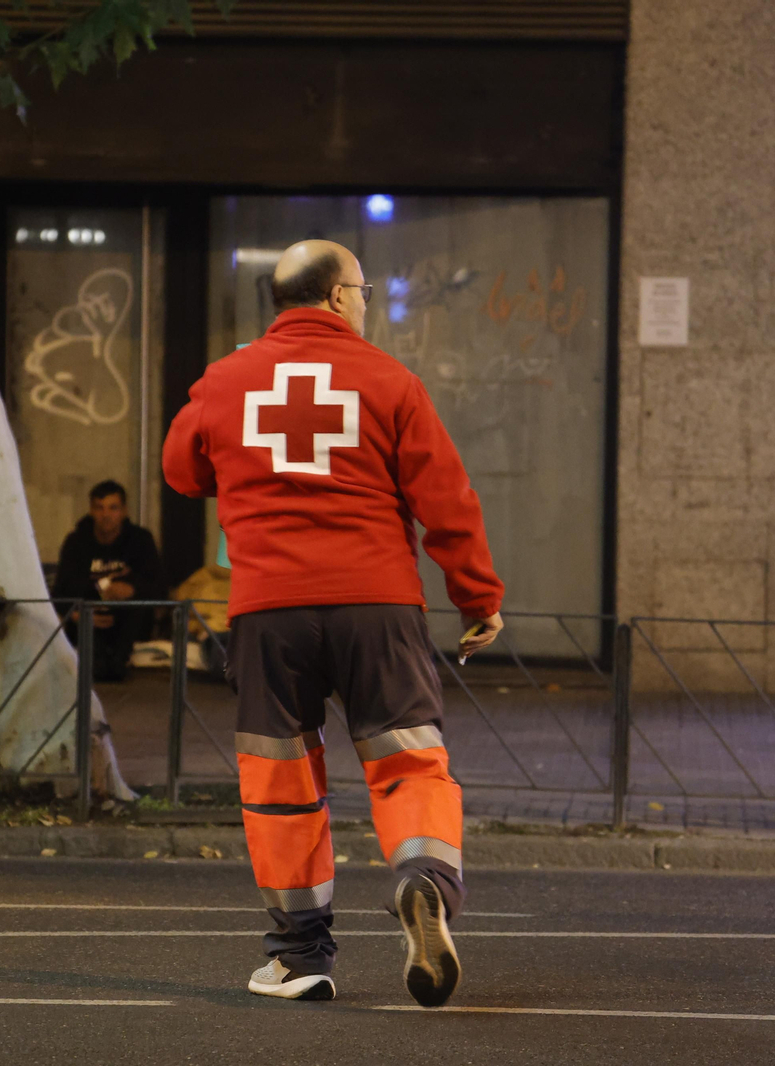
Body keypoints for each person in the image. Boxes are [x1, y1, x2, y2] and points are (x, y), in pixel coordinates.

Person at [163, 239, 504, 1007]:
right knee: (410, 762)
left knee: (282, 785)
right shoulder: (389, 379)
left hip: (268, 612)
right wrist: (477, 598)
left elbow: (182, 471)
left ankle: (298, 958)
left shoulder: (228, 379)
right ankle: (423, 879)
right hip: (377, 605)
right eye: (365, 291)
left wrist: (234, 440)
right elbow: (446, 499)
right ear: (340, 297)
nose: (367, 303)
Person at [50, 480, 163, 682]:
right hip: (89, 620)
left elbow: (160, 588)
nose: (106, 515)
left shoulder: (141, 541)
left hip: (128, 620)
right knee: (98, 667)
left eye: (113, 508)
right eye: (99, 508)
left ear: (124, 511)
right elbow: (59, 593)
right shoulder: (76, 542)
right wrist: (78, 616)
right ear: (91, 511)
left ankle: (119, 662)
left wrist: (131, 590)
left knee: (135, 612)